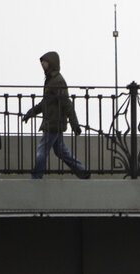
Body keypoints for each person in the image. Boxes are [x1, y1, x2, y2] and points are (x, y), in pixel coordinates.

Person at [22, 51, 90, 180]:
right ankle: (83, 172)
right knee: (61, 152)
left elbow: (66, 103)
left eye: (45, 62)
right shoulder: (51, 80)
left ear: (51, 63)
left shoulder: (57, 81)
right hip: (53, 123)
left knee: (41, 151)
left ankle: (36, 177)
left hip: (53, 123)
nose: (42, 64)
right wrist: (30, 113)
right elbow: (45, 103)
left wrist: (74, 124)